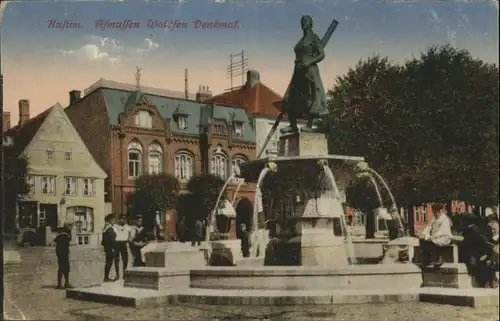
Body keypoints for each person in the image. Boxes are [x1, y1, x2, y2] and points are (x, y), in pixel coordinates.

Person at [278, 15, 330, 134]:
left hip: (309, 71)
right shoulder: (301, 40)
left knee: (311, 97)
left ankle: (309, 125)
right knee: (289, 97)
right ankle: (293, 125)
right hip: (297, 71)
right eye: (302, 21)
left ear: (311, 24)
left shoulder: (313, 38)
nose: (303, 23)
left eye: (306, 21)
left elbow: (321, 55)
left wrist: (309, 62)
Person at [418, 203, 453, 267]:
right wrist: (423, 234)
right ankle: (426, 259)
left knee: (432, 243)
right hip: (435, 237)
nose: (436, 214)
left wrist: (431, 237)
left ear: (441, 211)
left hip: (444, 237)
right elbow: (428, 227)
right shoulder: (434, 218)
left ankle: (439, 258)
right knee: (422, 241)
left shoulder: (445, 219)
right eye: (434, 212)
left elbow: (441, 232)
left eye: (437, 212)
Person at [102, 214, 119, 282]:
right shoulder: (110, 228)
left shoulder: (106, 228)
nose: (114, 221)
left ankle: (106, 277)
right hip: (111, 248)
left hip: (108, 248)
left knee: (108, 262)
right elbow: (113, 239)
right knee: (109, 262)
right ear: (110, 220)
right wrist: (113, 248)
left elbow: (103, 241)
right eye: (113, 220)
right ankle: (106, 278)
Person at [54, 223, 72, 289]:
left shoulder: (62, 234)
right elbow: (62, 245)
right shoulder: (63, 235)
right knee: (63, 268)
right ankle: (61, 284)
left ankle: (65, 283)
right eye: (70, 227)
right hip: (63, 254)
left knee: (65, 268)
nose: (71, 228)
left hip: (62, 253)